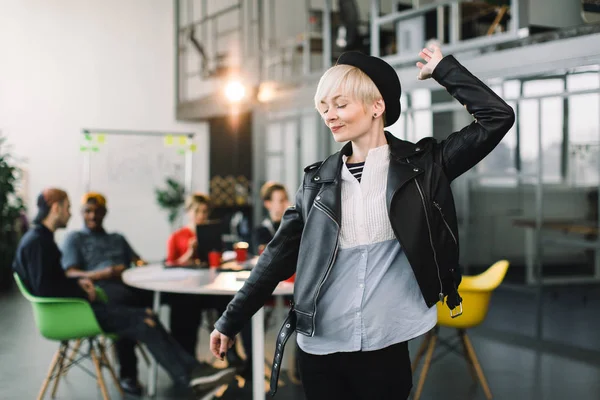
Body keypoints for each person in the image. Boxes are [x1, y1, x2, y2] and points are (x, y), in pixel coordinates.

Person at [209, 45, 515, 399]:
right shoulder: (317, 183)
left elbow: (497, 117)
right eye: (324, 108)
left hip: (386, 345)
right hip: (321, 346)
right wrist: (230, 319)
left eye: (340, 104)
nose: (330, 116)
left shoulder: (425, 168)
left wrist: (445, 70)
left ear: (376, 106)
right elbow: (276, 257)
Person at [13, 189, 235, 398]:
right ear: (55, 208)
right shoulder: (41, 242)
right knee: (143, 319)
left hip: (84, 303)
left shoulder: (40, 239)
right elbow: (47, 288)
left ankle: (192, 371)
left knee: (167, 306)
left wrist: (80, 285)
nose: (71, 213)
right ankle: (187, 375)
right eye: (69, 207)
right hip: (75, 312)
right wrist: (83, 285)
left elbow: (52, 282)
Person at [61, 192, 204, 394]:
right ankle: (130, 374)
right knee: (128, 310)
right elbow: (70, 272)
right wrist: (104, 273)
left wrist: (142, 266)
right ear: (81, 213)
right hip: (102, 289)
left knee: (183, 298)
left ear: (105, 213)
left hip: (130, 284)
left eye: (97, 211)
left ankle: (189, 358)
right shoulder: (75, 239)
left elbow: (138, 260)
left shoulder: (117, 238)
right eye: (88, 211)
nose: (92, 216)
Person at [166, 193, 248, 372]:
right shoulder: (177, 236)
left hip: (209, 288)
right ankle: (188, 361)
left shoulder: (211, 234)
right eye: (197, 211)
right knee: (185, 310)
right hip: (187, 290)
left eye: (204, 211)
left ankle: (231, 354)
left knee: (229, 303)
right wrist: (189, 252)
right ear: (188, 212)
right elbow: (170, 264)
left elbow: (216, 258)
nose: (201, 216)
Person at [253, 182, 289, 254]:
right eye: (281, 200)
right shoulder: (261, 232)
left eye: (286, 199)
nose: (287, 204)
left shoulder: (293, 225)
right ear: (268, 204)